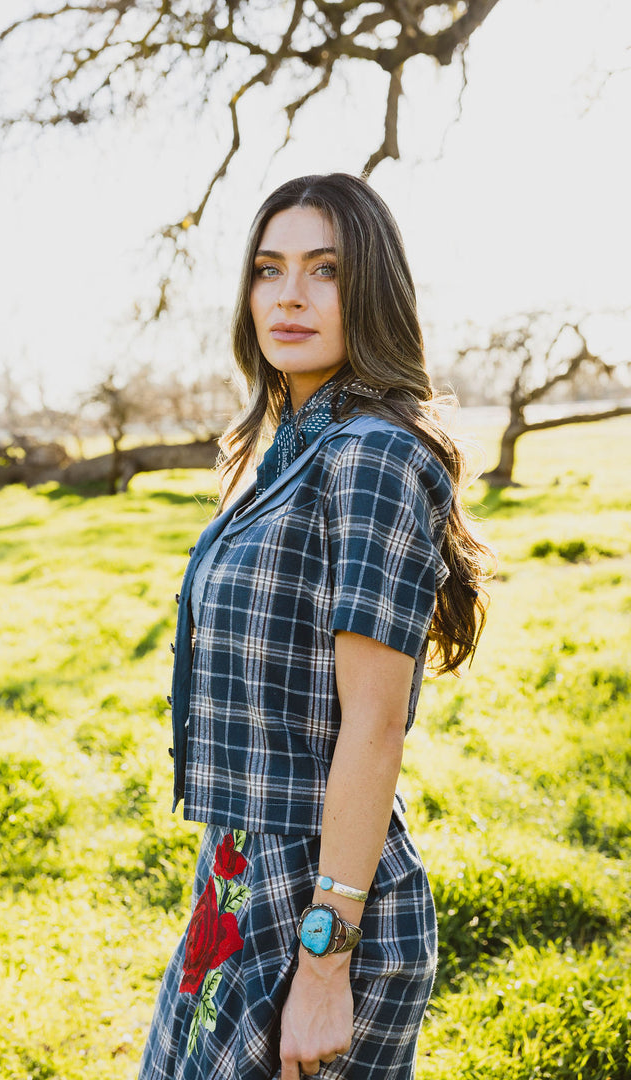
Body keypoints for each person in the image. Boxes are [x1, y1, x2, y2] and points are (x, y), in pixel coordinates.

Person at [137, 173, 491, 1080]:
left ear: (370, 290)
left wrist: (326, 962)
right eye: (268, 269)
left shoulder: (372, 455)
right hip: (236, 878)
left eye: (324, 270)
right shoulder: (286, 455)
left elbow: (374, 724)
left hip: (314, 897)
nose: (288, 295)